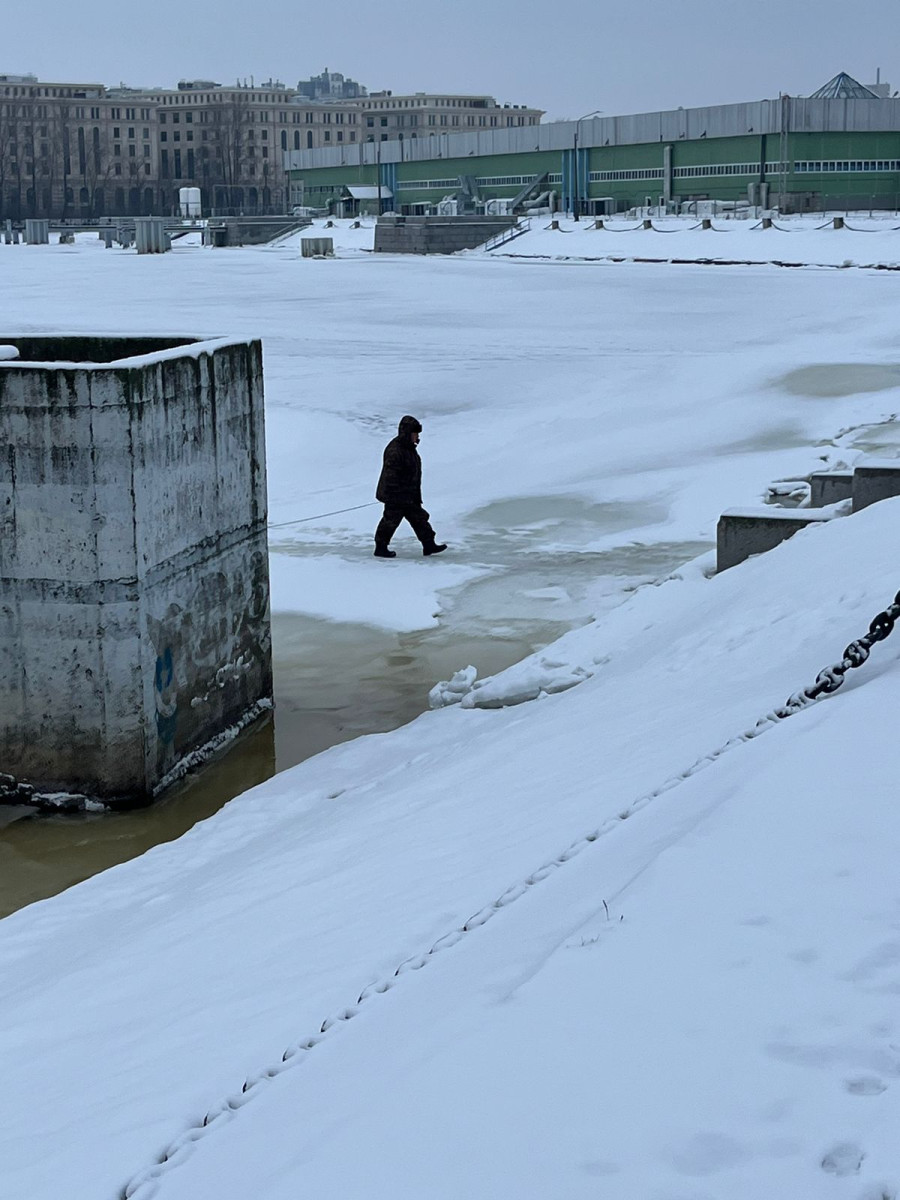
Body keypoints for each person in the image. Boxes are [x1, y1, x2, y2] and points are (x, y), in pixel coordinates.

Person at [374, 415, 447, 558]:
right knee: (390, 521)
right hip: (396, 496)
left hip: (409, 495)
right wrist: (397, 493)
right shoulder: (395, 450)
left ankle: (429, 545)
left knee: (419, 519)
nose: (417, 437)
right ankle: (380, 547)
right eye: (415, 434)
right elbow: (391, 476)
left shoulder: (408, 448)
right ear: (407, 433)